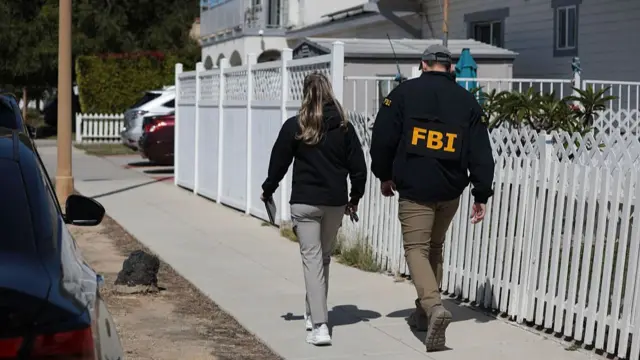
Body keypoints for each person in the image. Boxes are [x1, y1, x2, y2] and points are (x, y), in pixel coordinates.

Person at [369, 44, 495, 352]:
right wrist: (481, 193)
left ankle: (434, 307)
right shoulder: (467, 102)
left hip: (415, 189)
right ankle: (424, 313)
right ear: (450, 68)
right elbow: (482, 152)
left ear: (422, 64)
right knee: (435, 248)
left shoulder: (401, 95)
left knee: (416, 249)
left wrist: (384, 174)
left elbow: (382, 138)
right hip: (451, 190)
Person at [261, 72, 367, 346]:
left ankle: (320, 325)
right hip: (334, 203)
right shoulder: (344, 127)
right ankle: (313, 314)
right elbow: (359, 168)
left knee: (312, 261)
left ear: (306, 94)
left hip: (305, 202)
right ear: (329, 92)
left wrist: (268, 188)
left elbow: (278, 163)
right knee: (322, 259)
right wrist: (354, 198)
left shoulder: (296, 126)